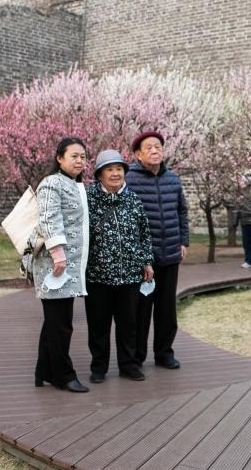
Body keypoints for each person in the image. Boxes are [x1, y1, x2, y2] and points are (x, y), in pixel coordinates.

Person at [85, 149, 155, 383]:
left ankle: (129, 365)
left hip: (129, 275)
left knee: (129, 325)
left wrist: (146, 261)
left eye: (119, 169)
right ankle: (98, 367)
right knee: (98, 325)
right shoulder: (88, 199)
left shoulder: (133, 199)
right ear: (99, 175)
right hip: (98, 276)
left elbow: (144, 233)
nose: (115, 174)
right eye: (109, 170)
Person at [30, 137, 91, 393]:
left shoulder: (75, 184)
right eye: (74, 156)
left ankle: (44, 371)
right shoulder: (52, 183)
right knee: (61, 322)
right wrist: (58, 255)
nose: (79, 161)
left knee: (55, 321)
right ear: (59, 158)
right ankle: (63, 375)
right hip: (55, 265)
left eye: (83, 157)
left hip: (69, 266)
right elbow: (48, 219)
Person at [125, 131, 190, 369]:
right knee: (140, 310)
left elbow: (182, 210)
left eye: (158, 147)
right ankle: (137, 355)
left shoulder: (173, 179)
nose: (155, 151)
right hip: (144, 259)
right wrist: (140, 255)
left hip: (170, 253)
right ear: (138, 154)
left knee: (166, 309)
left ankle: (164, 353)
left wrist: (184, 241)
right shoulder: (129, 180)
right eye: (149, 148)